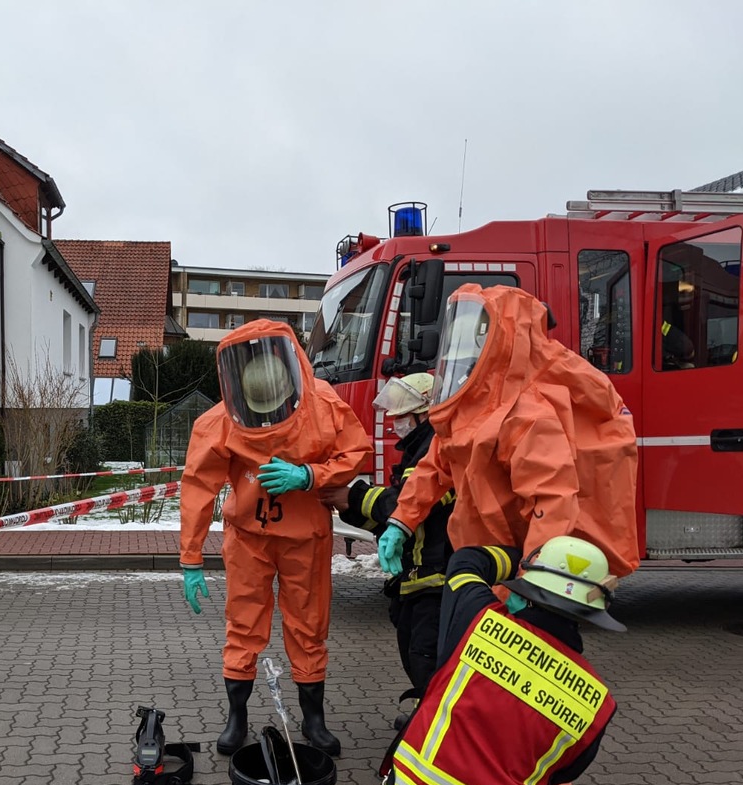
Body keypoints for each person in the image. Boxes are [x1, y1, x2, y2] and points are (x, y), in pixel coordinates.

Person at [366, 535, 624, 785]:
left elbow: (467, 562)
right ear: (592, 613)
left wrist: (521, 549)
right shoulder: (597, 701)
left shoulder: (477, 619)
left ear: (527, 589)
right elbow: (563, 775)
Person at [179, 319, 372, 758]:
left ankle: (314, 720)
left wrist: (309, 475)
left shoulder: (323, 405)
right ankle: (237, 717)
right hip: (249, 537)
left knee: (308, 627)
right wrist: (190, 560)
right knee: (243, 625)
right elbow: (197, 488)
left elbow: (357, 452)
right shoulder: (221, 422)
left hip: (305, 538)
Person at [377, 284, 640, 583]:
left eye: (471, 348)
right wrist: (402, 520)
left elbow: (552, 502)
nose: (461, 361)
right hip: (482, 561)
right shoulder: (471, 407)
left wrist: (533, 579)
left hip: (520, 564)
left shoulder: (527, 414)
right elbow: (436, 465)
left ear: (497, 342)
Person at [321, 372, 454, 726]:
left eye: (403, 415)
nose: (396, 423)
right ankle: (426, 716)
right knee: (414, 650)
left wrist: (353, 495)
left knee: (426, 655)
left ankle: (436, 731)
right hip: (418, 576)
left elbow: (408, 503)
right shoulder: (417, 450)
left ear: (426, 412)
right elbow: (392, 521)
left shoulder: (436, 449)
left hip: (440, 575)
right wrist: (350, 507)